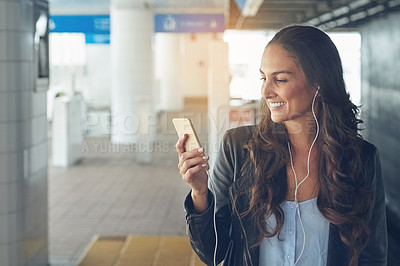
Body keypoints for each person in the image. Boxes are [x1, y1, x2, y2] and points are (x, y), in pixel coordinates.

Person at [175, 25, 387, 266]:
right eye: (263, 78)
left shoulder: (361, 158)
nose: (265, 91)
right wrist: (200, 193)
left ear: (319, 83)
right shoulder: (238, 150)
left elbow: (373, 255)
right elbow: (213, 253)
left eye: (280, 79)